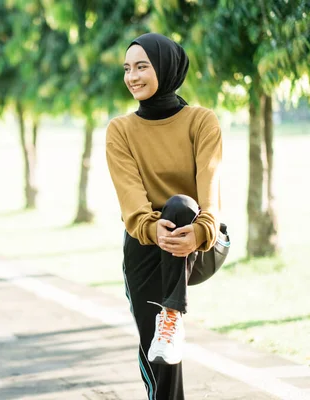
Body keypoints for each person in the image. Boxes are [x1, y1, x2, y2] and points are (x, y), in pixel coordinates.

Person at [105, 33, 222, 399]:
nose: (132, 77)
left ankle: (171, 314)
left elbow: (210, 189)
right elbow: (133, 206)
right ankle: (167, 323)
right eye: (127, 68)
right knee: (159, 358)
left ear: (166, 68)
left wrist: (201, 230)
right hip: (145, 246)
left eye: (142, 66)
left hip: (201, 243)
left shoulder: (202, 121)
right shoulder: (120, 130)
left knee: (180, 206)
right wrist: (154, 230)